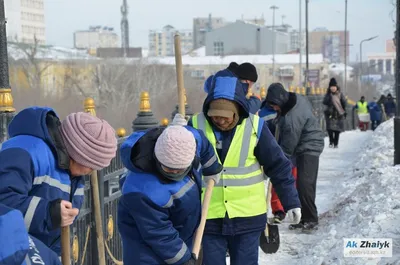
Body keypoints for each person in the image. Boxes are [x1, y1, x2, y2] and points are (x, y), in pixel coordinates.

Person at [188, 75, 301, 265]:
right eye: (215, 116)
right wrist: (175, 132)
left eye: (225, 117)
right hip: (209, 217)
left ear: (237, 111)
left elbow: (278, 166)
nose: (220, 121)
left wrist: (291, 201)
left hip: (247, 217)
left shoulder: (255, 127)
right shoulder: (195, 125)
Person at [0, 107, 117, 255]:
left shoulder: (72, 172)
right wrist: (50, 213)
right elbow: (3, 201)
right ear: (79, 155)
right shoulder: (27, 151)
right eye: (93, 166)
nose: (92, 171)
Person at [117, 114, 223, 265]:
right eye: (168, 168)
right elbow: (160, 234)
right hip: (147, 254)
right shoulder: (143, 190)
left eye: (180, 169)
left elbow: (202, 143)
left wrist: (212, 168)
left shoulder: (190, 140)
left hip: (181, 237)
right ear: (156, 157)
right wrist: (184, 260)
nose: (174, 173)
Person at [264, 83, 325, 231]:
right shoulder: (294, 98)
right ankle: (305, 217)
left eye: (274, 106)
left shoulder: (292, 119)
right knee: (302, 183)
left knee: (305, 184)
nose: (273, 109)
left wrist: (276, 165)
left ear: (280, 103)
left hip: (309, 146)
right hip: (302, 144)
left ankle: (310, 218)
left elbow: (287, 148)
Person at [323, 78, 347, 148]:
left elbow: (344, 103)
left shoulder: (340, 94)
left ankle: (336, 143)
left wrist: (344, 111)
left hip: (338, 114)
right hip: (329, 114)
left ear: (336, 87)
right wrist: (329, 99)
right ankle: (331, 142)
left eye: (334, 87)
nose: (333, 88)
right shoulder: (328, 95)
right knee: (330, 129)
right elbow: (324, 102)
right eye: (331, 87)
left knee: (337, 130)